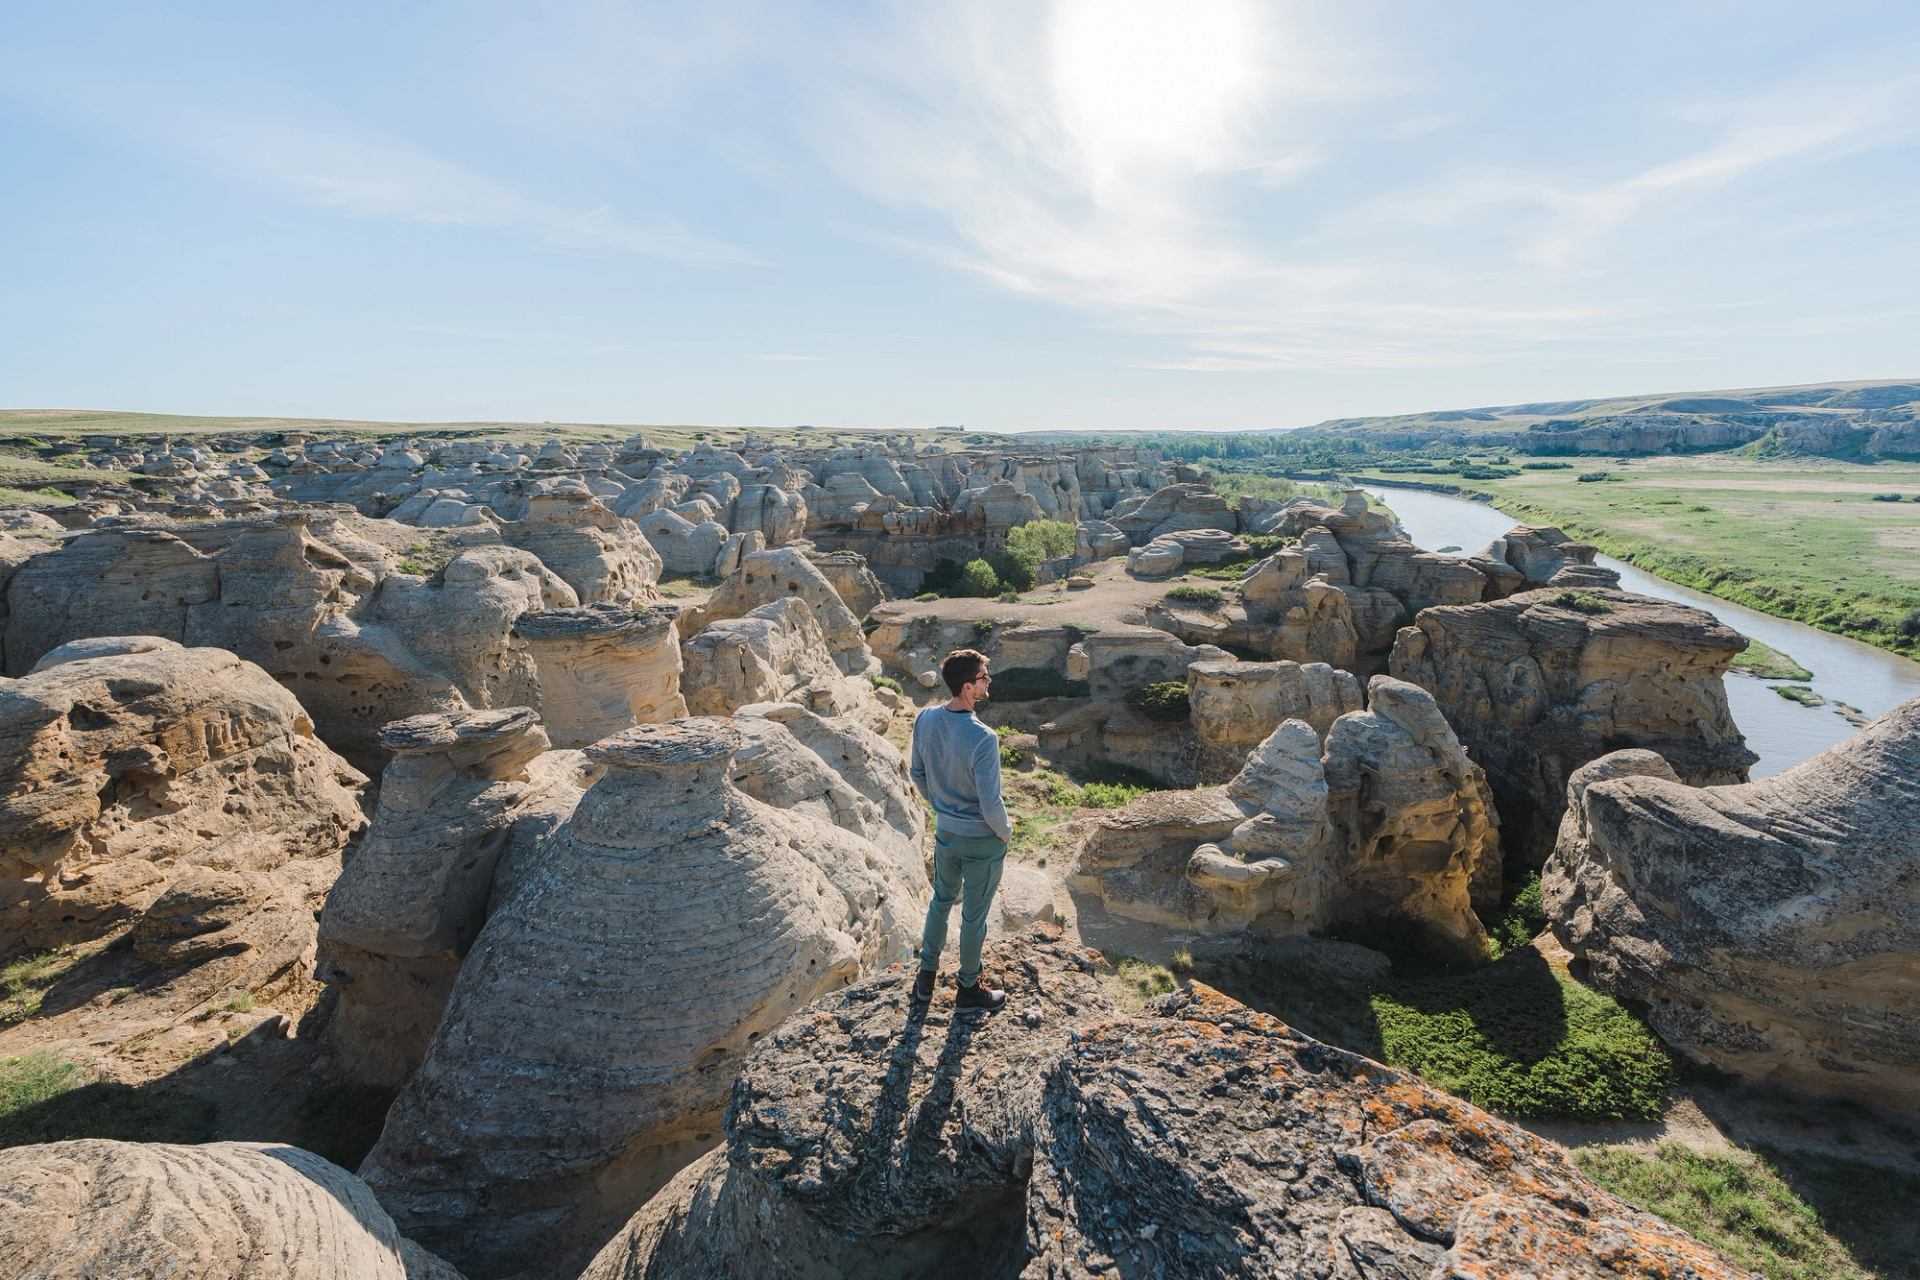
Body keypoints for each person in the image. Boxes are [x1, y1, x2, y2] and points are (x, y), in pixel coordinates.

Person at [907, 647, 1012, 1012]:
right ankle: (969, 990)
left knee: (940, 903)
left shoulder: (925, 719)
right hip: (982, 840)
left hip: (946, 834)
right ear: (968, 687)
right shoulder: (984, 738)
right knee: (973, 918)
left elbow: (917, 774)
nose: (988, 682)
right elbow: (990, 803)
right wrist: (1006, 833)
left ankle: (925, 979)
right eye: (984, 677)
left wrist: (941, 806)